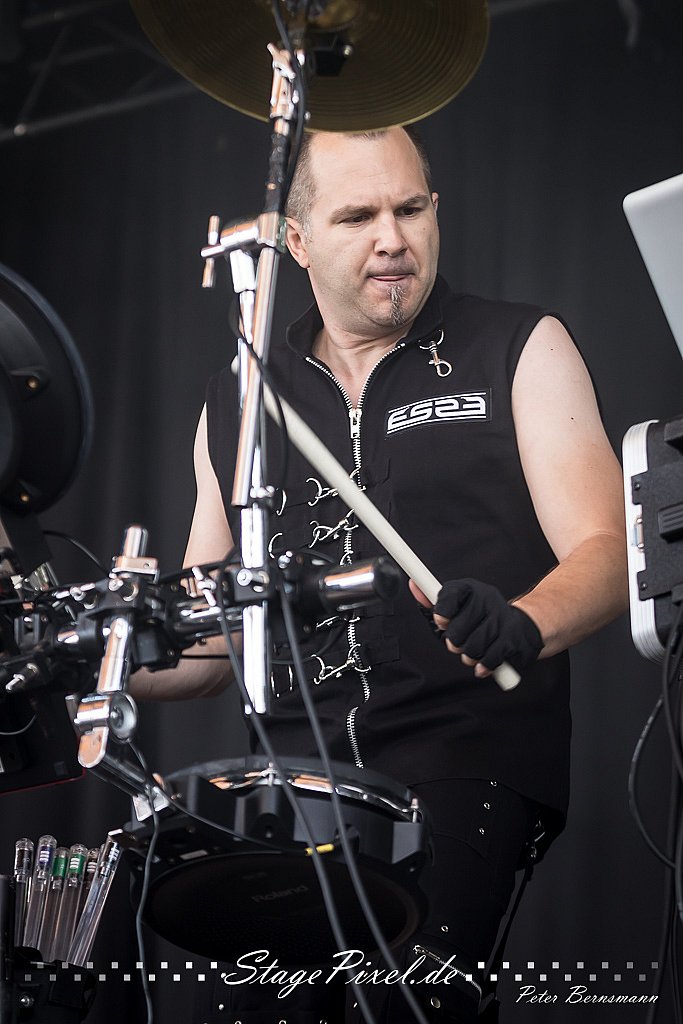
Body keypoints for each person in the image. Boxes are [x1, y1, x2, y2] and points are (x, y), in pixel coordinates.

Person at [132, 125, 627, 1022]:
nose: (392, 238)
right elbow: (210, 639)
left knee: (399, 1002)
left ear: (436, 211)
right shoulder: (241, 396)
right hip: (290, 788)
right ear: (296, 240)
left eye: (410, 209)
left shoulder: (517, 345)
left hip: (463, 759)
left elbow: (607, 547)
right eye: (357, 216)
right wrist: (94, 657)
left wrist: (525, 620)